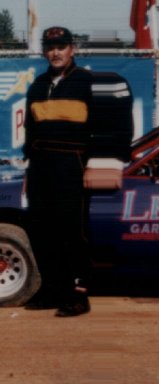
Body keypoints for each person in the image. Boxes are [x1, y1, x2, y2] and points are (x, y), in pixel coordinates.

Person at [23, 26, 93, 317]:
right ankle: (52, 290)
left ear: (72, 49)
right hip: (41, 167)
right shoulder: (37, 85)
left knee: (72, 232)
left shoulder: (87, 82)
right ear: (44, 51)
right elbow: (30, 131)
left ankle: (78, 295)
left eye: (61, 46)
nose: (56, 52)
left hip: (72, 165)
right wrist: (29, 169)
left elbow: (101, 129)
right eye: (51, 47)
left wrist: (94, 165)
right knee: (43, 231)